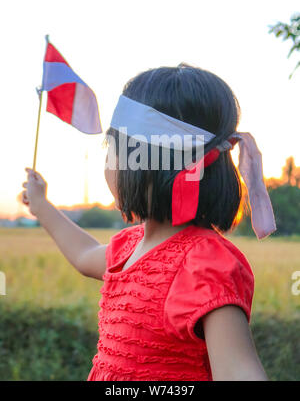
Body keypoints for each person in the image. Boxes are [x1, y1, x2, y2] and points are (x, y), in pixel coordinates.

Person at [22, 63, 275, 381]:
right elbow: (85, 256)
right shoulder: (130, 245)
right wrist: (42, 205)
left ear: (149, 164)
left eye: (113, 150)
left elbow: (240, 373)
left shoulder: (205, 263)